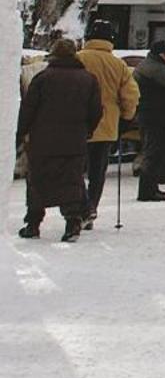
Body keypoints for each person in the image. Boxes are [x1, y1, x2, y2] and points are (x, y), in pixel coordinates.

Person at [15, 39, 102, 242]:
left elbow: (28, 109)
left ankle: (33, 224)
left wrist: (21, 132)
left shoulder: (42, 78)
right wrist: (86, 131)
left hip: (42, 141)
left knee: (37, 180)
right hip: (74, 141)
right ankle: (72, 223)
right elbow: (96, 111)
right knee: (71, 181)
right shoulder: (89, 80)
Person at [76, 21, 138, 228]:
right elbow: (131, 95)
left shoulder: (78, 59)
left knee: (75, 170)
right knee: (97, 172)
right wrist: (126, 117)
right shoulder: (118, 65)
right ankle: (91, 207)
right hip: (107, 126)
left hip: (78, 125)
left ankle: (81, 207)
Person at [132, 40, 165, 202]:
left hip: (149, 114)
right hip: (155, 115)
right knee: (153, 153)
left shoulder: (147, 65)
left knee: (152, 151)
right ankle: (147, 191)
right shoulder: (155, 68)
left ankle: (151, 187)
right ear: (163, 54)